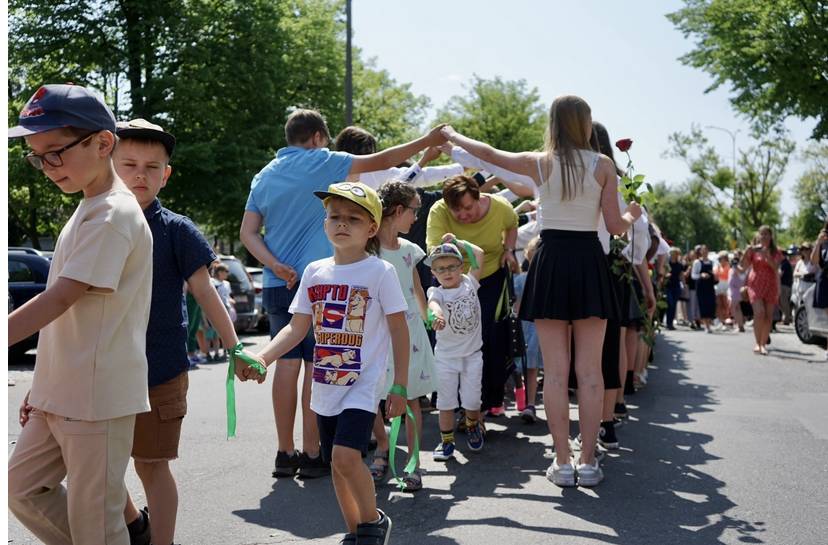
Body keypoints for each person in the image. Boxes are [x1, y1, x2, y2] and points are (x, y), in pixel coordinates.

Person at [440, 94, 642, 487]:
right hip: (588, 261)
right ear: (586, 124)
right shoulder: (603, 165)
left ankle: (562, 463)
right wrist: (633, 211)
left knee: (555, 371)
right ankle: (588, 462)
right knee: (589, 371)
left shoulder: (540, 162)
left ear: (553, 124)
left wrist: (453, 134)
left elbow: (488, 152)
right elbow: (617, 227)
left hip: (550, 260)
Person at [240, 109, 445, 479]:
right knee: (315, 365)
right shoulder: (325, 161)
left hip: (276, 280)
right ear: (318, 137)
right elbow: (383, 160)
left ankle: (285, 452)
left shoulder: (263, 175)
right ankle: (314, 450)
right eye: (336, 217)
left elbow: (248, 234)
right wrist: (426, 142)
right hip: (326, 279)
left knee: (287, 366)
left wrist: (276, 265)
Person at [7, 84, 153, 545]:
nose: (47, 167)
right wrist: (43, 384)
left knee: (95, 520)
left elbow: (61, 298)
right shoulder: (89, 207)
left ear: (103, 143)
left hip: (96, 399)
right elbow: (70, 318)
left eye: (56, 152)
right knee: (21, 489)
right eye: (37, 157)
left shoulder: (111, 214)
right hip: (60, 392)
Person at [112, 118, 264, 545]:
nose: (140, 174)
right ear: (109, 163)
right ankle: (137, 525)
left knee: (151, 464)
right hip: (101, 369)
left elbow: (205, 292)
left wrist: (235, 349)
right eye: (129, 164)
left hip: (160, 370)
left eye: (152, 166)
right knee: (100, 466)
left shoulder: (177, 230)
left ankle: (162, 540)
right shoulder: (96, 222)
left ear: (166, 174)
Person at [254, 181, 409, 545]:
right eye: (334, 217)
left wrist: (399, 384)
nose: (342, 224)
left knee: (345, 456)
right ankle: (355, 531)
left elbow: (400, 330)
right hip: (324, 385)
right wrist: (263, 358)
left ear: (371, 228)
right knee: (336, 465)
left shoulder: (379, 272)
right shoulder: (315, 272)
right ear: (324, 224)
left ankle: (373, 522)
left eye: (353, 218)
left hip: (362, 384)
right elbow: (296, 328)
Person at [425, 175, 519, 418]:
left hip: (488, 277)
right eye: (456, 211)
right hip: (451, 280)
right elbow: (434, 251)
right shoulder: (438, 212)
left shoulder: (499, 207)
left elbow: (512, 224)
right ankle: (451, 403)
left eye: (468, 207)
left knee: (488, 339)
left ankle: (484, 404)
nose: (463, 215)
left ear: (479, 198)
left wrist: (508, 250)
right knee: (450, 336)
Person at [368, 181, 436, 492]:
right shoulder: (367, 249)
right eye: (414, 210)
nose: (416, 217)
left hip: (410, 331)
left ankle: (413, 462)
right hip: (378, 330)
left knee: (410, 399)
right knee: (373, 394)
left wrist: (430, 318)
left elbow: (416, 290)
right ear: (397, 211)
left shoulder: (410, 251)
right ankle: (382, 447)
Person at [426, 237, 486, 460]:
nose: (447, 272)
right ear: (434, 273)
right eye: (440, 269)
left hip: (472, 355)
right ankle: (446, 440)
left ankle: (472, 425)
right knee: (446, 402)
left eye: (452, 266)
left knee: (472, 401)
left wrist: (458, 241)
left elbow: (479, 253)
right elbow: (433, 305)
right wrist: (437, 315)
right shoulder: (437, 292)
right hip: (446, 358)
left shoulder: (470, 282)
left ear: (462, 266)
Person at [742, 226, 784, 355]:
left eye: (767, 234)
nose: (764, 237)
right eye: (762, 234)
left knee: (768, 315)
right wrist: (746, 252)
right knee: (759, 313)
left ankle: (763, 344)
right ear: (758, 236)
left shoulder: (776, 252)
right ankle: (757, 343)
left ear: (771, 236)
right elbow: (744, 266)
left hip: (770, 284)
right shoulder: (754, 250)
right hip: (755, 283)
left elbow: (775, 267)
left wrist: (767, 256)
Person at [515, 237, 543, 423]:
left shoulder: (521, 279)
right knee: (534, 369)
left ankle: (526, 402)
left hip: (525, 327)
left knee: (524, 368)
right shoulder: (549, 280)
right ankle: (529, 403)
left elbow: (516, 307)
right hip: (539, 329)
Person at [692, 245, 717, 333]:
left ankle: (709, 323)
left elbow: (715, 273)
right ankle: (706, 325)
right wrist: (701, 275)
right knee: (703, 305)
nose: (705, 252)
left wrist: (715, 276)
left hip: (710, 286)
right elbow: (693, 275)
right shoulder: (697, 262)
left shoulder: (712, 262)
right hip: (701, 286)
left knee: (711, 304)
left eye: (706, 250)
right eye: (703, 250)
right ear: (701, 252)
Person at [665, 247, 685, 330]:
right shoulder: (667, 264)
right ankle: (668, 322)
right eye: (673, 253)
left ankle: (670, 323)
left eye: (676, 254)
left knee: (673, 305)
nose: (674, 255)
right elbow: (663, 273)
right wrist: (666, 275)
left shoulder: (680, 265)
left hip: (676, 286)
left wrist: (684, 284)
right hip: (668, 286)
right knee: (670, 303)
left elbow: (681, 275)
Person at [714, 252, 731, 328]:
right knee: (719, 304)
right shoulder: (717, 266)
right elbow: (715, 276)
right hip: (719, 285)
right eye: (721, 258)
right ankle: (720, 320)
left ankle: (726, 319)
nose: (722, 260)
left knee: (725, 304)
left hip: (726, 285)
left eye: (723, 258)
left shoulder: (729, 266)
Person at [779, 247, 795, 325]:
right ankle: (787, 317)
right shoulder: (783, 263)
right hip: (783, 285)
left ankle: (787, 319)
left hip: (784, 286)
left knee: (784, 302)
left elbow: (780, 275)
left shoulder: (785, 263)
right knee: (780, 303)